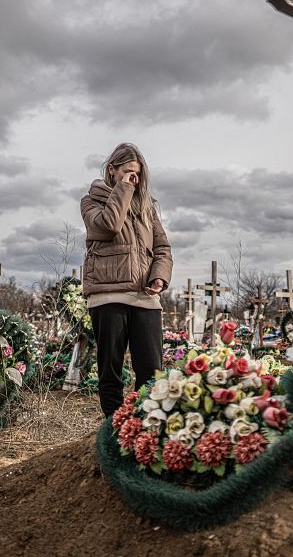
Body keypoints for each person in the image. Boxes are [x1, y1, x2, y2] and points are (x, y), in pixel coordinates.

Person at [80, 143, 173, 417]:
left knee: (152, 372)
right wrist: (123, 189)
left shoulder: (146, 207)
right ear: (112, 170)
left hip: (145, 298)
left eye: (137, 174)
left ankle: (146, 429)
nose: (134, 178)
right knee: (110, 369)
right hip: (108, 295)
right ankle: (113, 428)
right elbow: (109, 225)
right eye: (127, 172)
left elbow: (162, 249)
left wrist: (159, 277)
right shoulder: (91, 201)